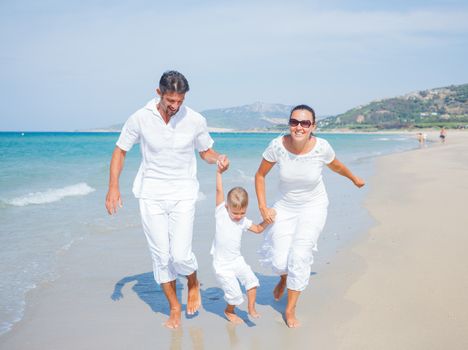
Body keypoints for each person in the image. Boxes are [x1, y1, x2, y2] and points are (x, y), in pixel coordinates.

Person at [105, 70, 229, 329]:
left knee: (181, 255)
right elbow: (120, 151)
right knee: (161, 257)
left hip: (183, 193)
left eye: (180, 101)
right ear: (158, 92)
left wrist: (218, 158)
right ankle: (174, 306)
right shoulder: (140, 118)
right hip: (150, 194)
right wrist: (113, 187)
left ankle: (193, 281)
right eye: (170, 100)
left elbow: (205, 151)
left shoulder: (195, 120)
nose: (175, 106)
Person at [255, 104, 365, 328]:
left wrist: (354, 179)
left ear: (313, 126)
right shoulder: (277, 146)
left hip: (313, 206)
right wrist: (263, 207)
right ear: (289, 124)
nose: (299, 127)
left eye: (305, 123)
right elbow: (260, 175)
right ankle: (284, 278)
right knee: (279, 260)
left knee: (300, 253)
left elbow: (337, 166)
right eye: (294, 122)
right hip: (285, 207)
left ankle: (290, 308)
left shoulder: (321, 147)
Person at [211, 166, 273, 324]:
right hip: (222, 265)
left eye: (242, 212)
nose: (238, 216)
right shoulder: (221, 213)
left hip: (237, 260)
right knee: (236, 296)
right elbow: (219, 190)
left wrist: (268, 220)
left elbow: (258, 229)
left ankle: (251, 308)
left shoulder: (243, 221)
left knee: (252, 281)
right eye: (235, 213)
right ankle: (229, 310)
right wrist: (219, 173)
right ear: (227, 207)